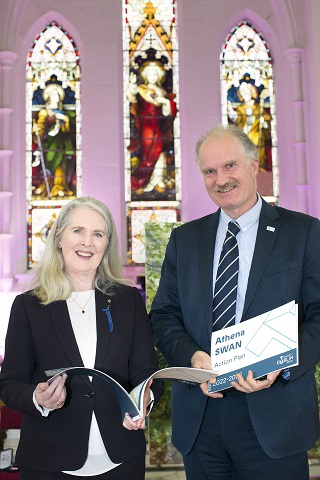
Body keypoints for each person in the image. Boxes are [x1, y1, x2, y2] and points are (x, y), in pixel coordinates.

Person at [150, 124, 320, 480]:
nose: (220, 179)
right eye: (209, 171)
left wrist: (282, 363)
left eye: (230, 166)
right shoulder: (184, 240)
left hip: (275, 414)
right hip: (202, 416)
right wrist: (193, 359)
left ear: (254, 166)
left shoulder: (303, 231)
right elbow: (164, 315)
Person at [0, 196, 162, 480]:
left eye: (97, 234)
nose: (87, 242)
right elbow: (10, 383)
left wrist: (145, 397)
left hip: (121, 460)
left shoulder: (127, 301)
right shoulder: (29, 306)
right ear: (59, 238)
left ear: (106, 245)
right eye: (78, 231)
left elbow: (146, 371)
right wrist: (37, 398)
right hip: (48, 463)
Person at [126, 60, 177, 194]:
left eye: (155, 75)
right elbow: (132, 98)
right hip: (146, 127)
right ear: (145, 76)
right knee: (148, 151)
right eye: (150, 74)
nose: (152, 77)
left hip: (159, 126)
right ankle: (146, 180)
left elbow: (167, 113)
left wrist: (165, 103)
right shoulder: (142, 89)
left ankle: (159, 178)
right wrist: (131, 85)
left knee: (160, 150)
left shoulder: (161, 91)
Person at [32, 82, 75, 198]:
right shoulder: (44, 112)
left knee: (61, 166)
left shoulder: (63, 113)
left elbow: (67, 130)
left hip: (61, 145)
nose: (56, 96)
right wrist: (38, 130)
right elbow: (40, 128)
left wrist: (64, 119)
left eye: (57, 94)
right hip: (48, 145)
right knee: (48, 166)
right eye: (53, 94)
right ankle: (45, 187)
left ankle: (60, 187)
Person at [227, 78, 272, 171]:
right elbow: (237, 120)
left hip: (256, 136)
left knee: (257, 152)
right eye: (243, 93)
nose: (245, 95)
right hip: (244, 135)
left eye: (247, 92)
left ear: (252, 93)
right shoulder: (240, 108)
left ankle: (258, 168)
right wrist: (231, 112)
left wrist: (264, 123)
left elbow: (267, 120)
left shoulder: (258, 107)